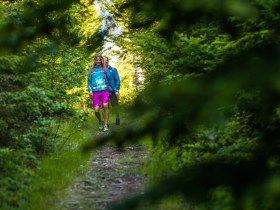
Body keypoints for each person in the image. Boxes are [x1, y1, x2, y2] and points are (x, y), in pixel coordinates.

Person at [88, 53, 111, 132]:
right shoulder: (91, 70)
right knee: (96, 110)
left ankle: (105, 125)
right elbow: (89, 82)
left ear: (101, 60)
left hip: (104, 91)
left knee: (105, 107)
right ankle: (100, 121)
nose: (98, 61)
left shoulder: (105, 69)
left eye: (99, 60)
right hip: (95, 92)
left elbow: (109, 80)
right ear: (94, 60)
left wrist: (113, 90)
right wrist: (90, 90)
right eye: (96, 60)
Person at [103, 56, 121, 125]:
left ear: (108, 61)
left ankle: (117, 117)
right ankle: (106, 122)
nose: (106, 62)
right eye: (104, 61)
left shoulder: (113, 70)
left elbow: (117, 80)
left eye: (107, 60)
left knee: (115, 105)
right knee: (105, 107)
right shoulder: (101, 71)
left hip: (112, 91)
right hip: (104, 91)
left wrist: (117, 90)